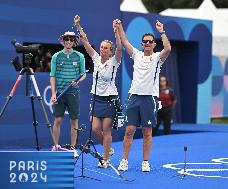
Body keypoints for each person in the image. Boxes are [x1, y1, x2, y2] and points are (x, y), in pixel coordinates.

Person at [115, 19, 171, 172]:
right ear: (142, 44)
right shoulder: (137, 55)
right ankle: (124, 161)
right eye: (145, 42)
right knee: (129, 131)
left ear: (154, 44)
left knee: (147, 132)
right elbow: (125, 41)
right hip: (134, 96)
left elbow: (168, 48)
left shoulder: (158, 58)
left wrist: (162, 32)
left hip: (149, 98)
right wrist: (119, 27)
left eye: (150, 42)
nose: (147, 44)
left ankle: (145, 162)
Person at [74, 15, 122, 168]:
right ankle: (109, 150)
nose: (102, 49)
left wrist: (116, 31)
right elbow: (85, 41)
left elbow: (120, 47)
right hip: (96, 98)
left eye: (106, 48)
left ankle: (106, 159)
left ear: (110, 51)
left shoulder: (115, 61)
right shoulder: (95, 58)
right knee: (95, 128)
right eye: (101, 47)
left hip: (109, 100)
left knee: (106, 130)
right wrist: (78, 25)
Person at [50, 31, 86, 158]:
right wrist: (53, 93)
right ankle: (55, 145)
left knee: (74, 121)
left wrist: (78, 82)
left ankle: (72, 148)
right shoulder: (56, 56)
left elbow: (83, 74)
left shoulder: (80, 56)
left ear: (74, 41)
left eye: (71, 39)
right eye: (67, 39)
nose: (69, 41)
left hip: (74, 93)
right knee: (57, 120)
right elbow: (52, 76)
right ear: (63, 41)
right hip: (60, 92)